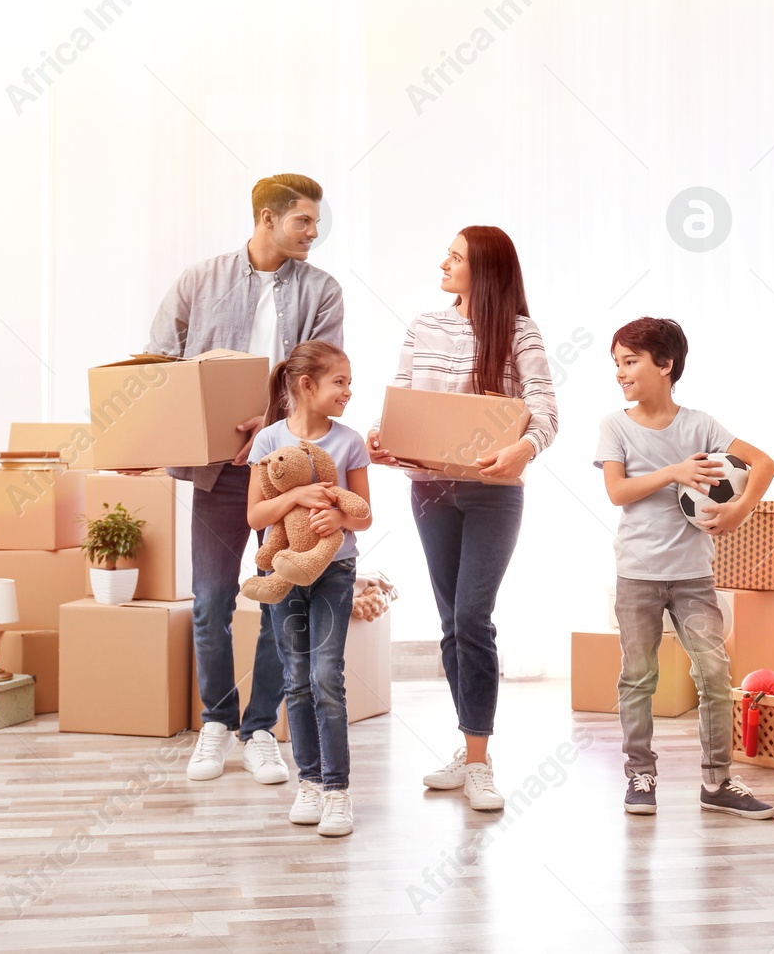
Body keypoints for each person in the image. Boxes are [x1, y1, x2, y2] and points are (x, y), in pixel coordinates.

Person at [146, 173, 344, 785]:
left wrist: (273, 421)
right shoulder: (198, 281)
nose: (315, 233)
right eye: (303, 221)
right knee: (210, 601)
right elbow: (156, 364)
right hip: (213, 471)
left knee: (274, 594)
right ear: (267, 217)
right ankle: (215, 721)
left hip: (284, 470)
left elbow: (327, 375)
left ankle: (259, 728)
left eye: (316, 221)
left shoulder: (323, 290)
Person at [367, 226, 558, 811]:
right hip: (428, 489)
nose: (443, 263)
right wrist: (382, 440)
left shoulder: (521, 332)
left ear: (486, 270)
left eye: (455, 257)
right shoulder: (424, 326)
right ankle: (468, 746)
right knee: (452, 622)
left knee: (474, 616)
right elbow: (403, 399)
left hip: (493, 493)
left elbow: (547, 413)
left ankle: (479, 763)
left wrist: (521, 449)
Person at [593, 317, 774, 819]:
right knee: (639, 676)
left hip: (694, 575)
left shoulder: (702, 425)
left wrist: (739, 510)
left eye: (631, 361)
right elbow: (617, 492)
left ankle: (717, 781)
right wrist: (674, 471)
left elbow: (764, 464)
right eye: (616, 363)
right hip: (637, 573)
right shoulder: (616, 426)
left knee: (715, 673)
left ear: (666, 365)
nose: (620, 372)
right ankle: (640, 775)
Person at [246, 340, 372, 836]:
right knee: (295, 679)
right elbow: (256, 515)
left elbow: (363, 514)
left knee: (325, 676)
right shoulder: (267, 442)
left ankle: (338, 791)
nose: (347, 391)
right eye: (339, 381)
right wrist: (297, 494)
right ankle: (311, 782)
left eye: (347, 381)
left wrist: (335, 516)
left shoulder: (350, 442)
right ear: (306, 386)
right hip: (280, 570)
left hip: (333, 573)